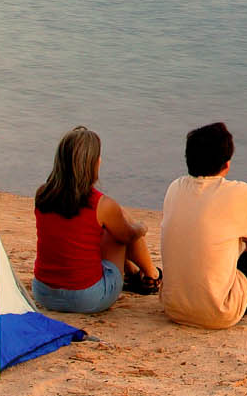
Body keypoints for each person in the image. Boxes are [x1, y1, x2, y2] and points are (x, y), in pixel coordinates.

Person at [158, 121, 247, 327]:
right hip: (219, 312)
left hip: (172, 307)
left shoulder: (175, 188)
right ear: (227, 164)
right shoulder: (241, 194)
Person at [30, 126, 160, 314]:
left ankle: (134, 275)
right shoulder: (101, 204)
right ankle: (152, 275)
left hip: (44, 292)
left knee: (101, 226)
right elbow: (128, 236)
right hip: (86, 297)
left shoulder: (42, 194)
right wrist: (142, 227)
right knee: (120, 224)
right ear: (94, 163)